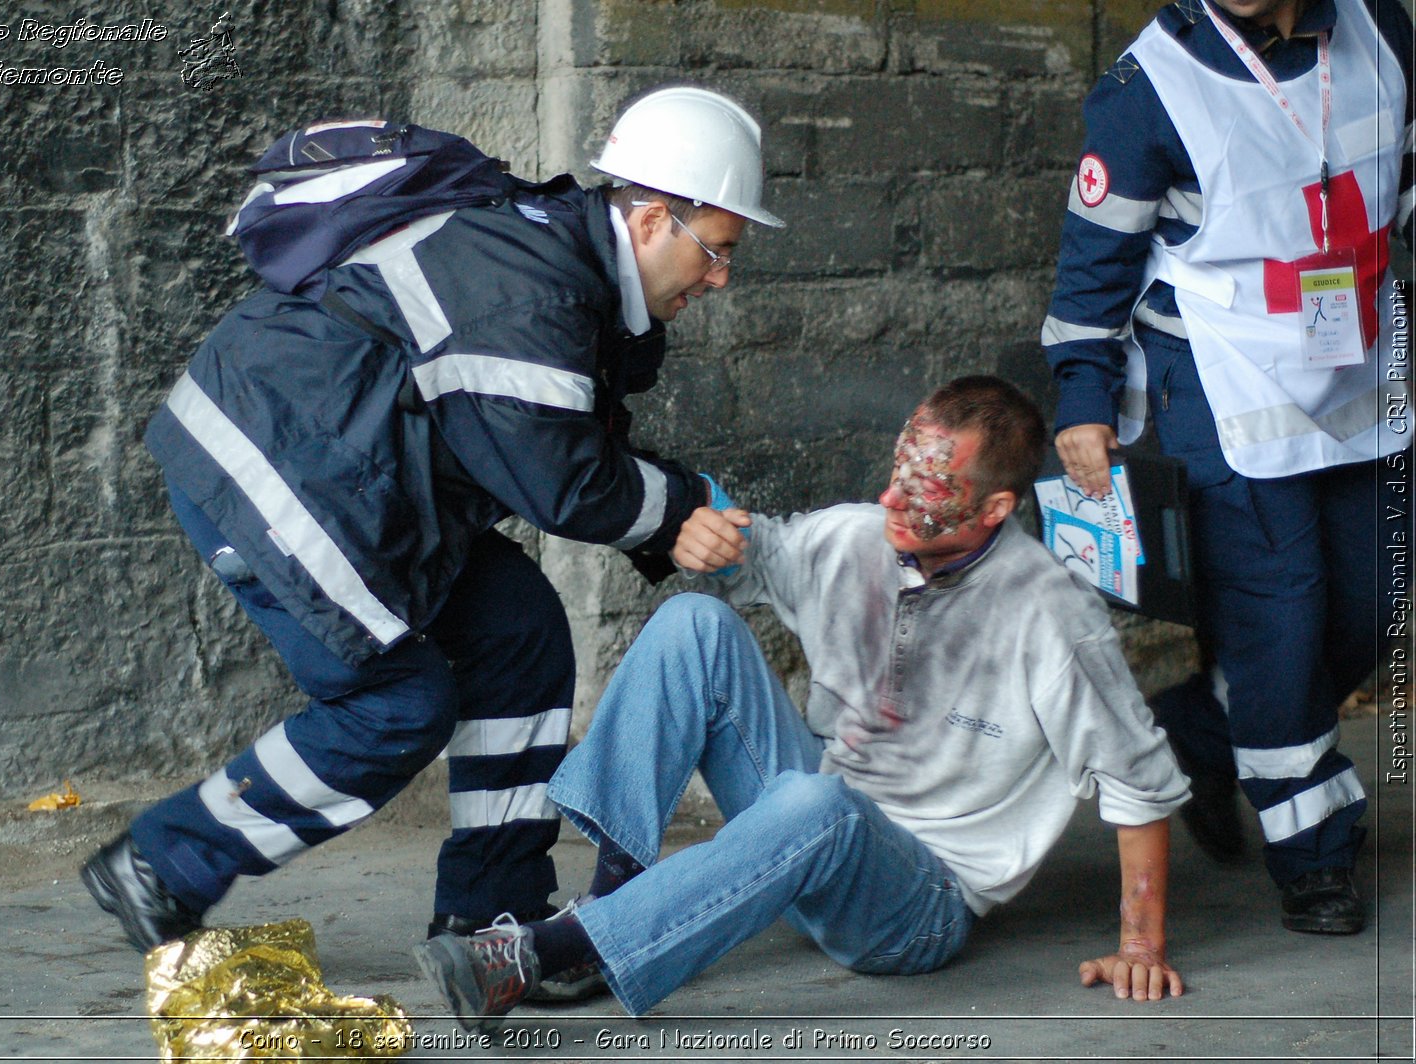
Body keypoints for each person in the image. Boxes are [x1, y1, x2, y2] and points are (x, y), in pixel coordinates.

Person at [79, 86, 786, 1000]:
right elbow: (558, 478)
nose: (722, 278)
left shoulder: (560, 266)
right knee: (395, 705)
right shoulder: (533, 280)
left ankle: (490, 916)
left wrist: (671, 513)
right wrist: (678, 509)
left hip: (355, 475)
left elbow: (551, 439)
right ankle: (162, 864)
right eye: (718, 251)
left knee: (519, 629)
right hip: (279, 468)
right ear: (652, 219)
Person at [414, 376, 1192, 1030]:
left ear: (993, 511)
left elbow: (1137, 779)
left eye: (925, 491)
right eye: (896, 469)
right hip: (806, 819)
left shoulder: (1052, 613)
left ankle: (543, 955)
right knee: (695, 623)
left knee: (823, 803)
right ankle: (611, 903)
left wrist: (1141, 947)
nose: (891, 495)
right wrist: (702, 537)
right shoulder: (858, 536)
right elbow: (760, 558)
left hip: (917, 904)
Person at [1040, 0, 1411, 934]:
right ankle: (1315, 855)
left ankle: (1201, 733)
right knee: (1278, 612)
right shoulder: (1145, 90)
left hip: (1360, 371)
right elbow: (1094, 266)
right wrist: (1082, 399)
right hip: (1222, 383)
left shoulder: (1382, 28)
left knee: (1372, 597)